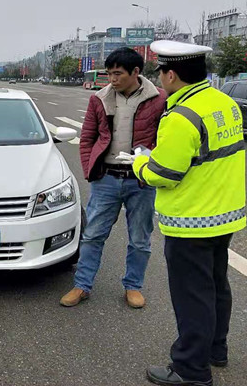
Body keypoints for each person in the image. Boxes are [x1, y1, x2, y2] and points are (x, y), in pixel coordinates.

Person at [121, 41, 246, 386]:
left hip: (191, 220)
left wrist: (141, 163)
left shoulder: (181, 116)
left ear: (171, 75)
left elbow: (164, 173)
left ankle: (191, 369)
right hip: (224, 215)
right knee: (216, 285)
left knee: (193, 296)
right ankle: (216, 349)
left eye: (161, 72)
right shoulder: (225, 103)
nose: (160, 78)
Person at [60, 48, 167, 309]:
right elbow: (87, 137)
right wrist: (90, 170)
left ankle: (133, 286)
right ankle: (82, 285)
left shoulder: (159, 99)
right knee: (92, 235)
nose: (112, 79)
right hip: (106, 178)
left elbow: (165, 138)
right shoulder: (100, 99)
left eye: (118, 74)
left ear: (136, 72)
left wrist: (152, 165)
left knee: (140, 238)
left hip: (140, 180)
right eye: (109, 73)